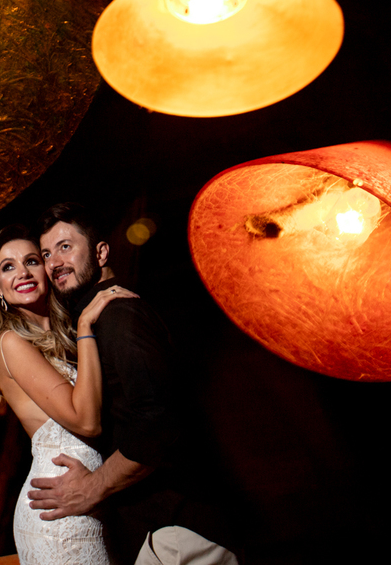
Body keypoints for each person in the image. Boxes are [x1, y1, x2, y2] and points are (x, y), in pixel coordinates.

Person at [29, 203, 239, 565]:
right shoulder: (94, 322)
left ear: (102, 252)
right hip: (152, 531)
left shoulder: (120, 314)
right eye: (47, 253)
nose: (54, 263)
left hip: (179, 531)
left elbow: (158, 424)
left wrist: (93, 486)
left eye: (65, 247)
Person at [0, 223, 136, 564]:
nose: (22, 272)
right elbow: (86, 422)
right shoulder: (10, 343)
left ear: (47, 272)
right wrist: (84, 328)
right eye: (8, 267)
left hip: (87, 502)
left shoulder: (62, 343)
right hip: (58, 515)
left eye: (32, 260)